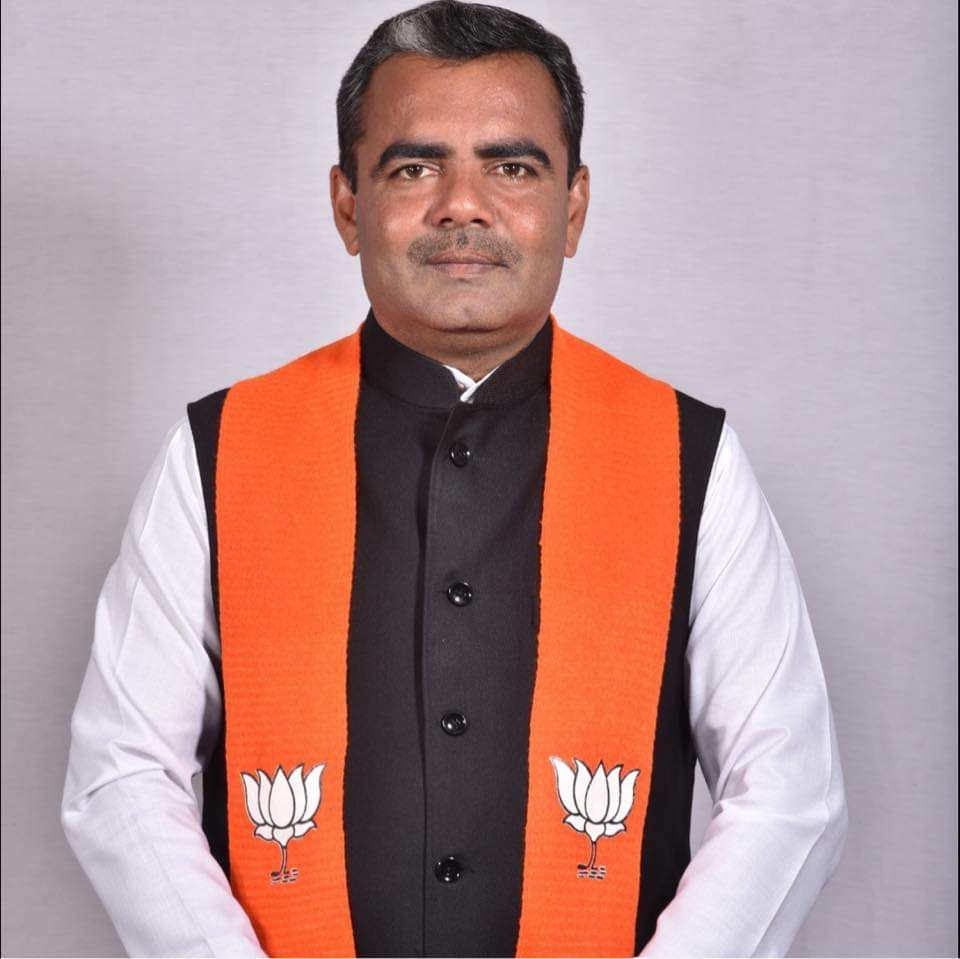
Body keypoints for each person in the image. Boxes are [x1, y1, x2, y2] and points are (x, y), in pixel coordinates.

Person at [60, 1, 848, 956]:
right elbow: (123, 775)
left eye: (512, 167)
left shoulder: (689, 457)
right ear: (348, 206)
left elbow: (789, 791)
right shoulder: (219, 451)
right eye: (414, 167)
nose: (462, 206)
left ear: (574, 207)